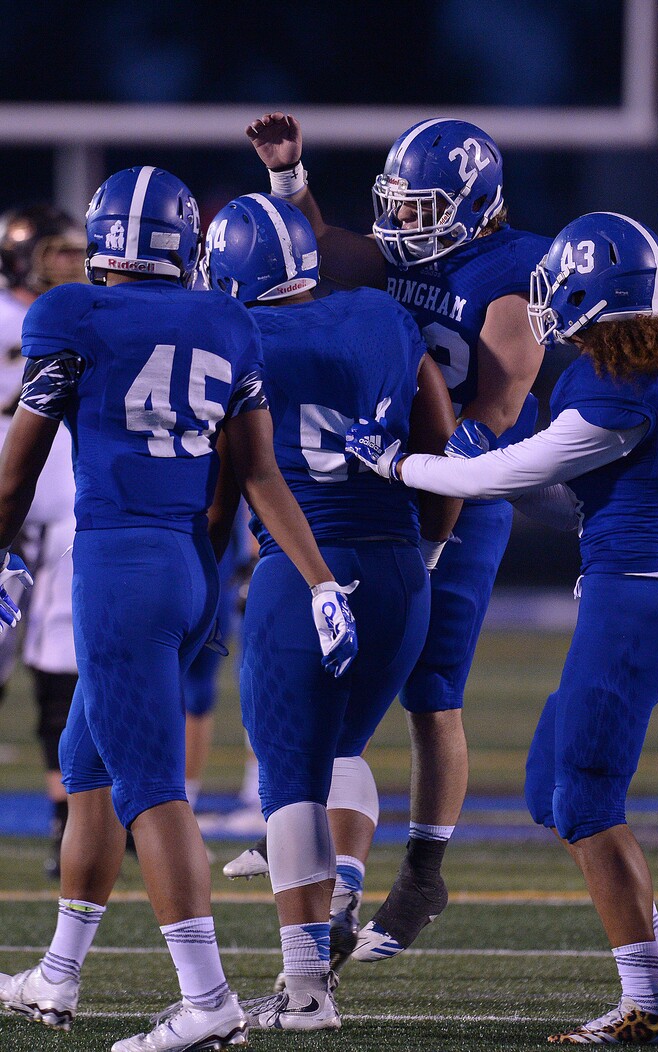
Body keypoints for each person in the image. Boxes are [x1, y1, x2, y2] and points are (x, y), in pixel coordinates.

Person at [0, 165, 358, 1052]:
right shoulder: (226, 321)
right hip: (191, 569)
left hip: (119, 568)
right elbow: (260, 473)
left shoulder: (70, 314)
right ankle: (59, 971)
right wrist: (318, 581)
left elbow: (17, 467)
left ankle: (207, 1000)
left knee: (152, 791)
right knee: (88, 770)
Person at [346, 211, 658, 1043]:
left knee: (583, 800)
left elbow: (513, 467)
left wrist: (401, 463)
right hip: (629, 598)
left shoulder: (620, 384)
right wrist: (465, 468)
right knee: (549, 785)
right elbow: (551, 491)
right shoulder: (638, 375)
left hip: (636, 605)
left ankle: (646, 1002)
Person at [228, 111, 550, 960]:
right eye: (398, 206)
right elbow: (313, 252)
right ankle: (328, 865)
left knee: (430, 690)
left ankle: (422, 871)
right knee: (340, 689)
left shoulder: (511, 273)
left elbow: (498, 408)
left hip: (459, 492)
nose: (404, 223)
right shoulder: (391, 259)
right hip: (379, 485)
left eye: (423, 208)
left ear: (476, 204)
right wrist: (289, 181)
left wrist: (428, 484)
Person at [201, 192, 460, 1029]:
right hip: (397, 566)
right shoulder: (382, 315)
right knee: (341, 747)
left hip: (304, 568)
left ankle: (306, 986)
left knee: (288, 782)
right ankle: (338, 881)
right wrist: (425, 550)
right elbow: (438, 434)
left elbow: (227, 481)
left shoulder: (238, 336)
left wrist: (203, 573)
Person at [0, 204, 86, 878]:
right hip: (6, 514)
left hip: (62, 516)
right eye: (55, 252)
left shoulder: (87, 315)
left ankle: (67, 818)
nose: (70, 263)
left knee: (62, 672)